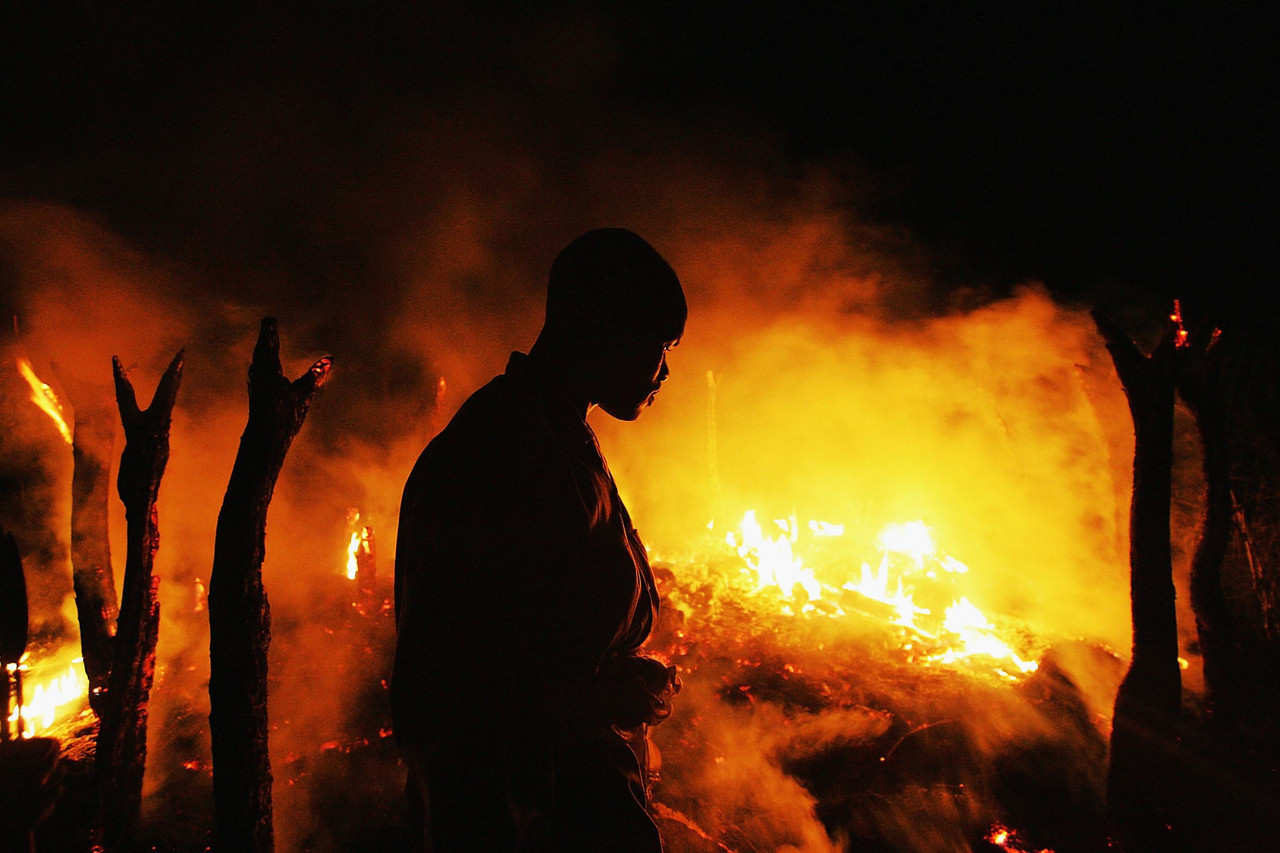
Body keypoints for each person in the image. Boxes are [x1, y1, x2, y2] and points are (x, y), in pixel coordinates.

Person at [391, 228, 686, 851]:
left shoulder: (555, 434)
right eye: (658, 344)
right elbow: (455, 680)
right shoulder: (501, 452)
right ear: (602, 328)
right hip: (514, 815)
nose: (664, 370)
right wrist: (603, 693)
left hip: (560, 797)